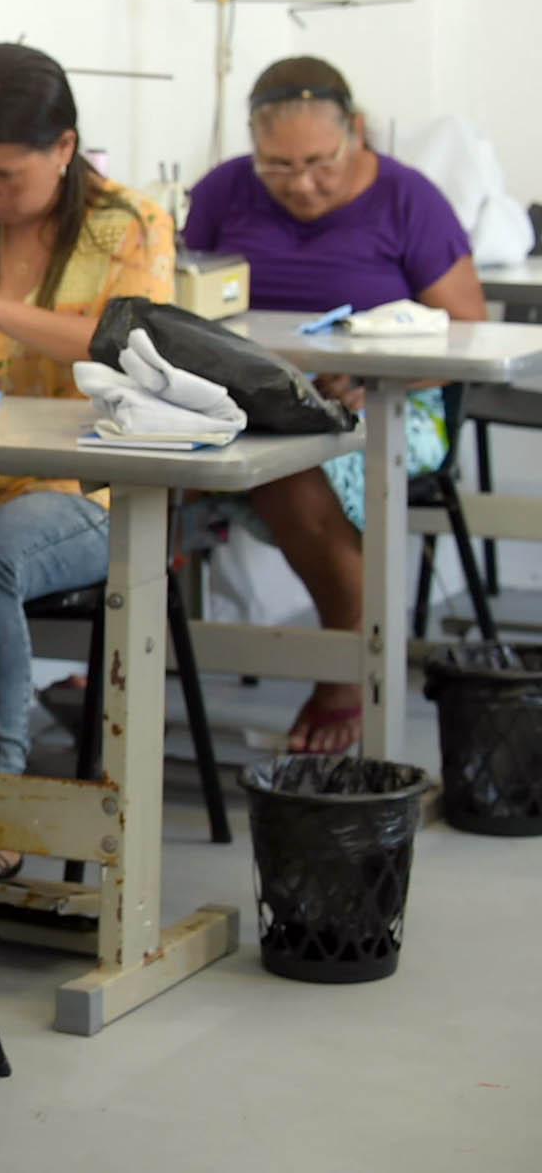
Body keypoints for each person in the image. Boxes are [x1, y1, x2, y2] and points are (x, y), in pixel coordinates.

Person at [0, 42, 174, 880]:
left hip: (95, 485)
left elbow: (132, 347)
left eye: (3, 174)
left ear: (64, 148)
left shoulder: (130, 225)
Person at [184, 57, 487, 752]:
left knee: (287, 466)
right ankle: (121, 652)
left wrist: (376, 376)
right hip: (250, 399)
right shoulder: (224, 191)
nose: (301, 184)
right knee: (141, 468)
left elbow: (468, 330)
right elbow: (185, 303)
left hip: (390, 402)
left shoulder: (409, 200)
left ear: (356, 131)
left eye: (319, 162)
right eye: (278, 166)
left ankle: (345, 662)